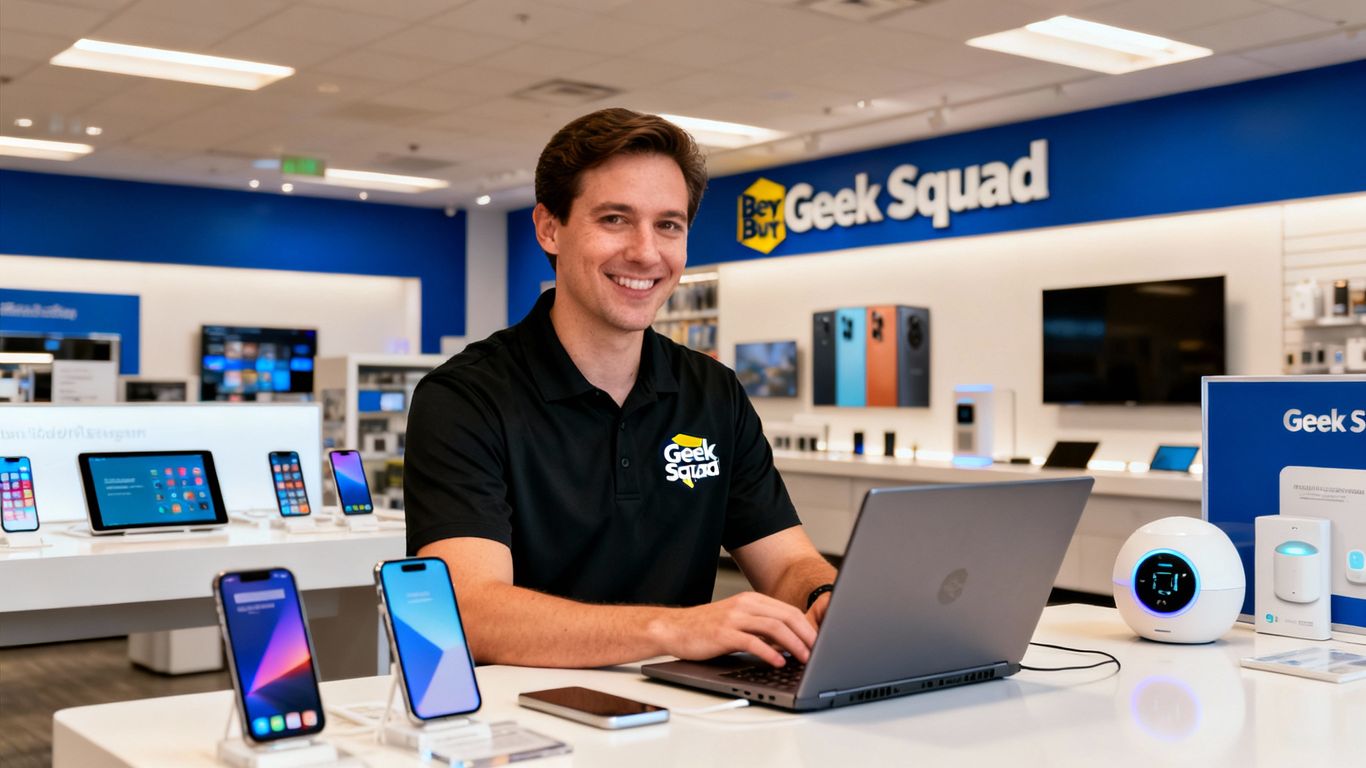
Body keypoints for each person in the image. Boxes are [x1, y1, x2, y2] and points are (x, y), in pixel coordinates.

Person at [404, 108, 837, 669]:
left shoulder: (714, 392)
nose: (646, 252)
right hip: (523, 713)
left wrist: (823, 596)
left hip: (688, 708)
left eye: (669, 225)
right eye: (615, 219)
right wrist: (672, 628)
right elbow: (469, 609)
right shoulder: (465, 398)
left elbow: (787, 563)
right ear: (549, 228)